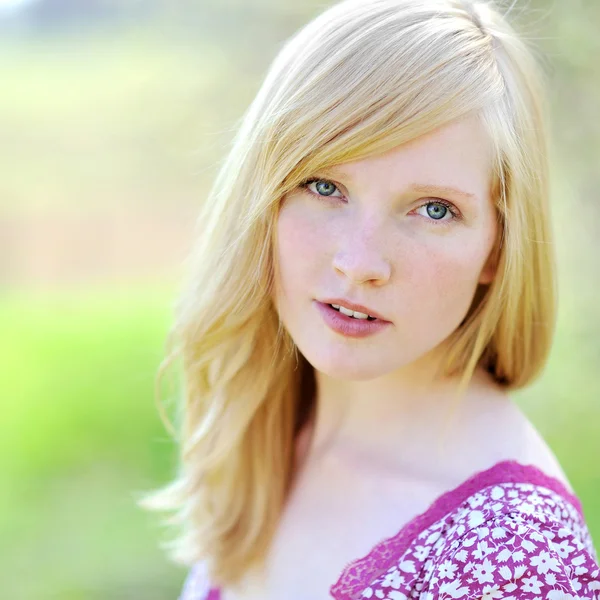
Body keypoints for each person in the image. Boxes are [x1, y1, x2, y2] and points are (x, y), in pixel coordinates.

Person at [139, 0, 600, 598]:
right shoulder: (270, 432)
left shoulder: (512, 553)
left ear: (497, 248)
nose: (359, 264)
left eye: (434, 209)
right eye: (324, 185)